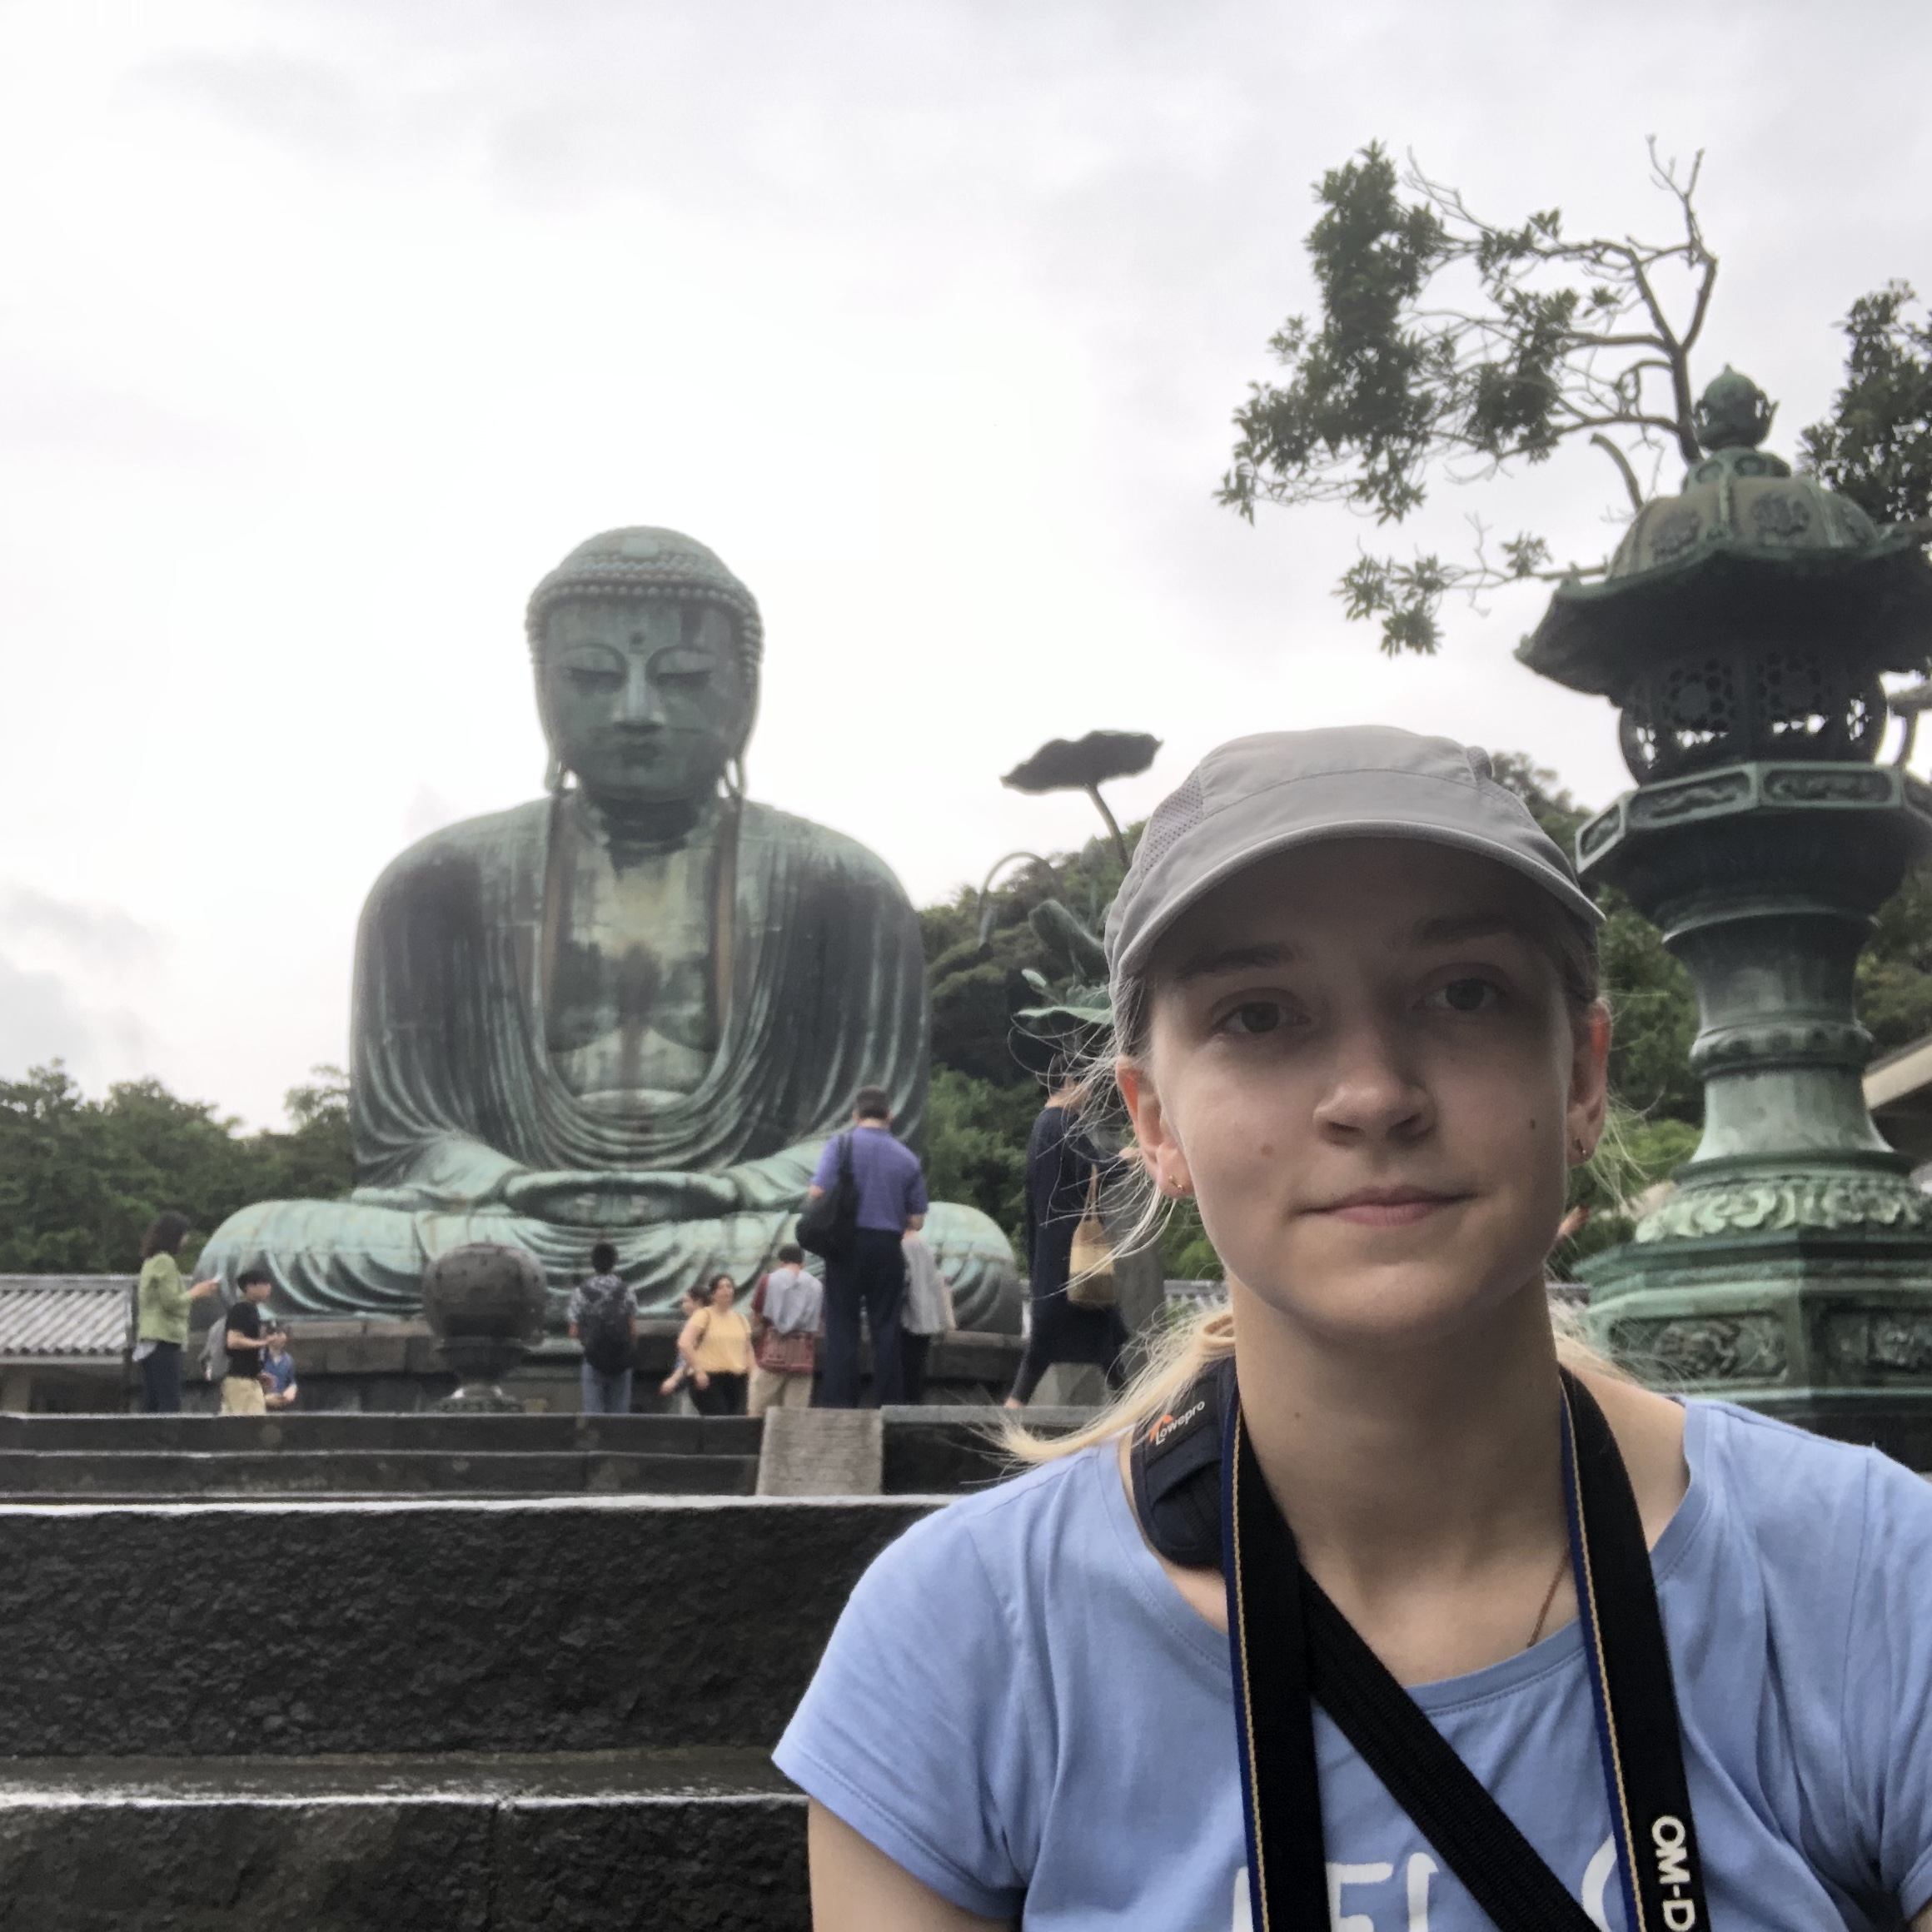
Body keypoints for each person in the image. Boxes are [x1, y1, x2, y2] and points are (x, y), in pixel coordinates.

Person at [774, 728, 1932, 1929]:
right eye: (1258, 1015)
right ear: (1153, 1121)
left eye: (1465, 993)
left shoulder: (1874, 1580)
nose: (1373, 1094)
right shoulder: (963, 1638)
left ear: (1582, 1077)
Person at [1003, 1066, 1133, 1409]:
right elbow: (1090, 1170)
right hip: (1073, 1249)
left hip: (1053, 1245)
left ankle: (1014, 1407)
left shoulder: (1044, 1125)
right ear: (1069, 1082)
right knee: (1091, 1327)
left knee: (1063, 1339)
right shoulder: (1064, 1124)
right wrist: (1123, 1160)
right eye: (1086, 1084)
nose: (1089, 1094)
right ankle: (1133, 1412)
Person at [809, 1084, 929, 1407]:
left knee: (842, 1325)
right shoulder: (907, 1158)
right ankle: (889, 1403)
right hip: (887, 1246)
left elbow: (816, 1193)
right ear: (890, 1116)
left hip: (844, 1244)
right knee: (887, 1326)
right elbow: (917, 1220)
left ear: (855, 1115)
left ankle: (840, 1402)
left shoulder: (839, 1146)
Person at [132, 1212, 222, 1413]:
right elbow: (171, 1302)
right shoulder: (165, 1261)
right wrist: (196, 1292)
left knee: (152, 1401)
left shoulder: (150, 1261)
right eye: (184, 1234)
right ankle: (168, 1435)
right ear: (174, 1235)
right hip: (164, 1338)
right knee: (169, 1401)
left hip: (149, 1339)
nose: (186, 1239)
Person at [749, 1243, 823, 1417]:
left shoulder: (769, 1280)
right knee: (794, 1416)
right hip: (802, 1358)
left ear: (781, 1262)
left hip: (772, 1356)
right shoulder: (816, 1285)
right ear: (802, 1264)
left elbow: (757, 1315)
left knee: (758, 1410)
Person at [568, 1240, 640, 1414]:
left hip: (594, 1359)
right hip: (621, 1360)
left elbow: (573, 1331)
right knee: (619, 1414)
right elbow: (633, 1330)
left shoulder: (581, 1292)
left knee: (593, 1415)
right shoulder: (626, 1291)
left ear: (592, 1263)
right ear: (615, 1263)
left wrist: (590, 1339)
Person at [677, 1272, 752, 1416]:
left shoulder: (740, 1319)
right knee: (719, 1419)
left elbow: (748, 1350)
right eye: (720, 1288)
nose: (726, 1290)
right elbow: (684, 1343)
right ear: (713, 1294)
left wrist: (753, 1377)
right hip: (709, 1378)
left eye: (729, 1286)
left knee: (734, 1421)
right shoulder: (703, 1315)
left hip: (736, 1379)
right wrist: (698, 1371)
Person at [898, 1232, 954, 1405]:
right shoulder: (922, 1244)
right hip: (926, 1319)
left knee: (905, 1371)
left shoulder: (904, 1245)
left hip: (907, 1320)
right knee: (916, 1371)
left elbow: (903, 1283)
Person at [220, 1271, 276, 1416]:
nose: (269, 1288)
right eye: (264, 1284)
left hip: (247, 1378)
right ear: (250, 1287)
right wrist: (263, 1342)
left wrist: (257, 1372)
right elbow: (233, 1341)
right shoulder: (242, 1309)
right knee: (251, 1424)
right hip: (240, 1381)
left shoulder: (252, 1310)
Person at [261, 1329, 300, 1410]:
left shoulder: (288, 1360)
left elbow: (291, 1380)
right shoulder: (260, 1357)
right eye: (279, 1334)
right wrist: (264, 1399)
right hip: (261, 1405)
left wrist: (292, 1388)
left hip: (281, 1405)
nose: (282, 1337)